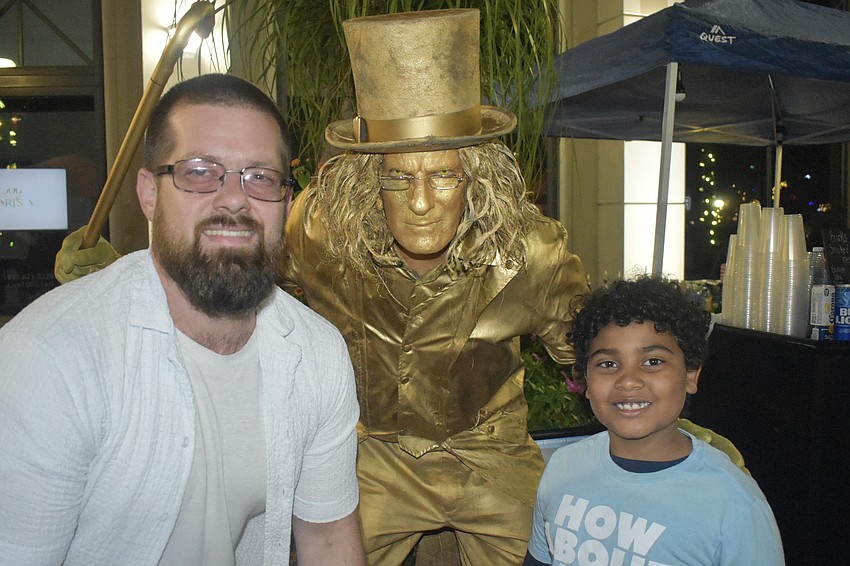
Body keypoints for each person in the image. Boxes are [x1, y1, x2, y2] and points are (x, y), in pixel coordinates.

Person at [52, 11, 747, 566]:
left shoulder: (527, 250)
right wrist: (123, 269)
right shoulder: (318, 234)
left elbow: (593, 349)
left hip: (490, 455)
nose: (421, 201)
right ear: (365, 182)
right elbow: (223, 270)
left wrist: (662, 422)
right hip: (375, 455)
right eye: (397, 178)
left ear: (474, 176)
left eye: (443, 175)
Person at [0, 73, 365, 565]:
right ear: (149, 195)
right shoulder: (51, 358)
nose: (235, 198)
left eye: (260, 176)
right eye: (199, 171)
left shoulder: (317, 352)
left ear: (286, 199)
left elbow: (327, 540)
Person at [524, 276, 784, 566]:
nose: (629, 380)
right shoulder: (562, 469)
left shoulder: (733, 505)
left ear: (690, 375)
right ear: (585, 379)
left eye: (653, 361)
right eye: (608, 364)